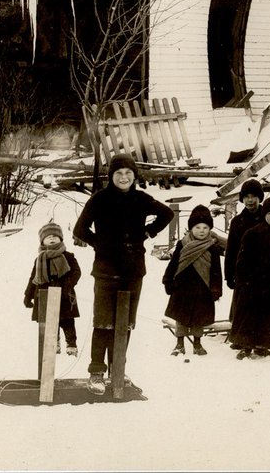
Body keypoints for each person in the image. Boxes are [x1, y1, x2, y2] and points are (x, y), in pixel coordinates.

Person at [73, 153, 174, 394]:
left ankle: (117, 368)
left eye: (128, 173)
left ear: (134, 176)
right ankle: (96, 373)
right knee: (103, 323)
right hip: (106, 271)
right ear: (111, 176)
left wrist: (149, 232)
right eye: (119, 173)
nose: (124, 177)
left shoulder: (141, 199)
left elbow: (167, 214)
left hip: (133, 270)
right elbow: (80, 229)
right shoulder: (99, 199)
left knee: (125, 324)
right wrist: (100, 243)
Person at [226, 195, 270, 359]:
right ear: (264, 214)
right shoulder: (252, 234)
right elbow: (241, 261)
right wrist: (245, 281)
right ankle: (246, 345)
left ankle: (264, 345)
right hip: (253, 285)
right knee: (249, 316)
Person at [161, 204, 223, 356]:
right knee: (181, 317)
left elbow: (216, 271)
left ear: (210, 230)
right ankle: (179, 344)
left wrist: (216, 289)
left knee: (199, 318)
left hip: (203, 288)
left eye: (205, 228)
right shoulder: (183, 244)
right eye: (197, 227)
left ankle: (197, 343)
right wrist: (168, 280)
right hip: (182, 287)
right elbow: (174, 263)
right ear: (190, 229)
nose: (201, 231)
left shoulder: (212, 247)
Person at [23, 221, 82, 356]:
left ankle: (71, 344)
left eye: (55, 236)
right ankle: (54, 343)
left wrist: (67, 285)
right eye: (48, 236)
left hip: (65, 295)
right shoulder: (40, 259)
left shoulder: (68, 256)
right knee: (49, 323)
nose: (52, 238)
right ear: (42, 241)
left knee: (67, 321)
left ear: (61, 239)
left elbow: (76, 272)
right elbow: (33, 279)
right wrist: (28, 296)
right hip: (44, 297)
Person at [224, 178, 266, 327]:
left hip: (263, 274)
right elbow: (231, 250)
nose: (250, 200)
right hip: (243, 272)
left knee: (262, 310)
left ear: (260, 198)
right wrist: (229, 275)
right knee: (242, 309)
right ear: (242, 199)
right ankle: (241, 341)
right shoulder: (237, 221)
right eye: (247, 197)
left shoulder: (267, 218)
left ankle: (260, 344)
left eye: (253, 196)